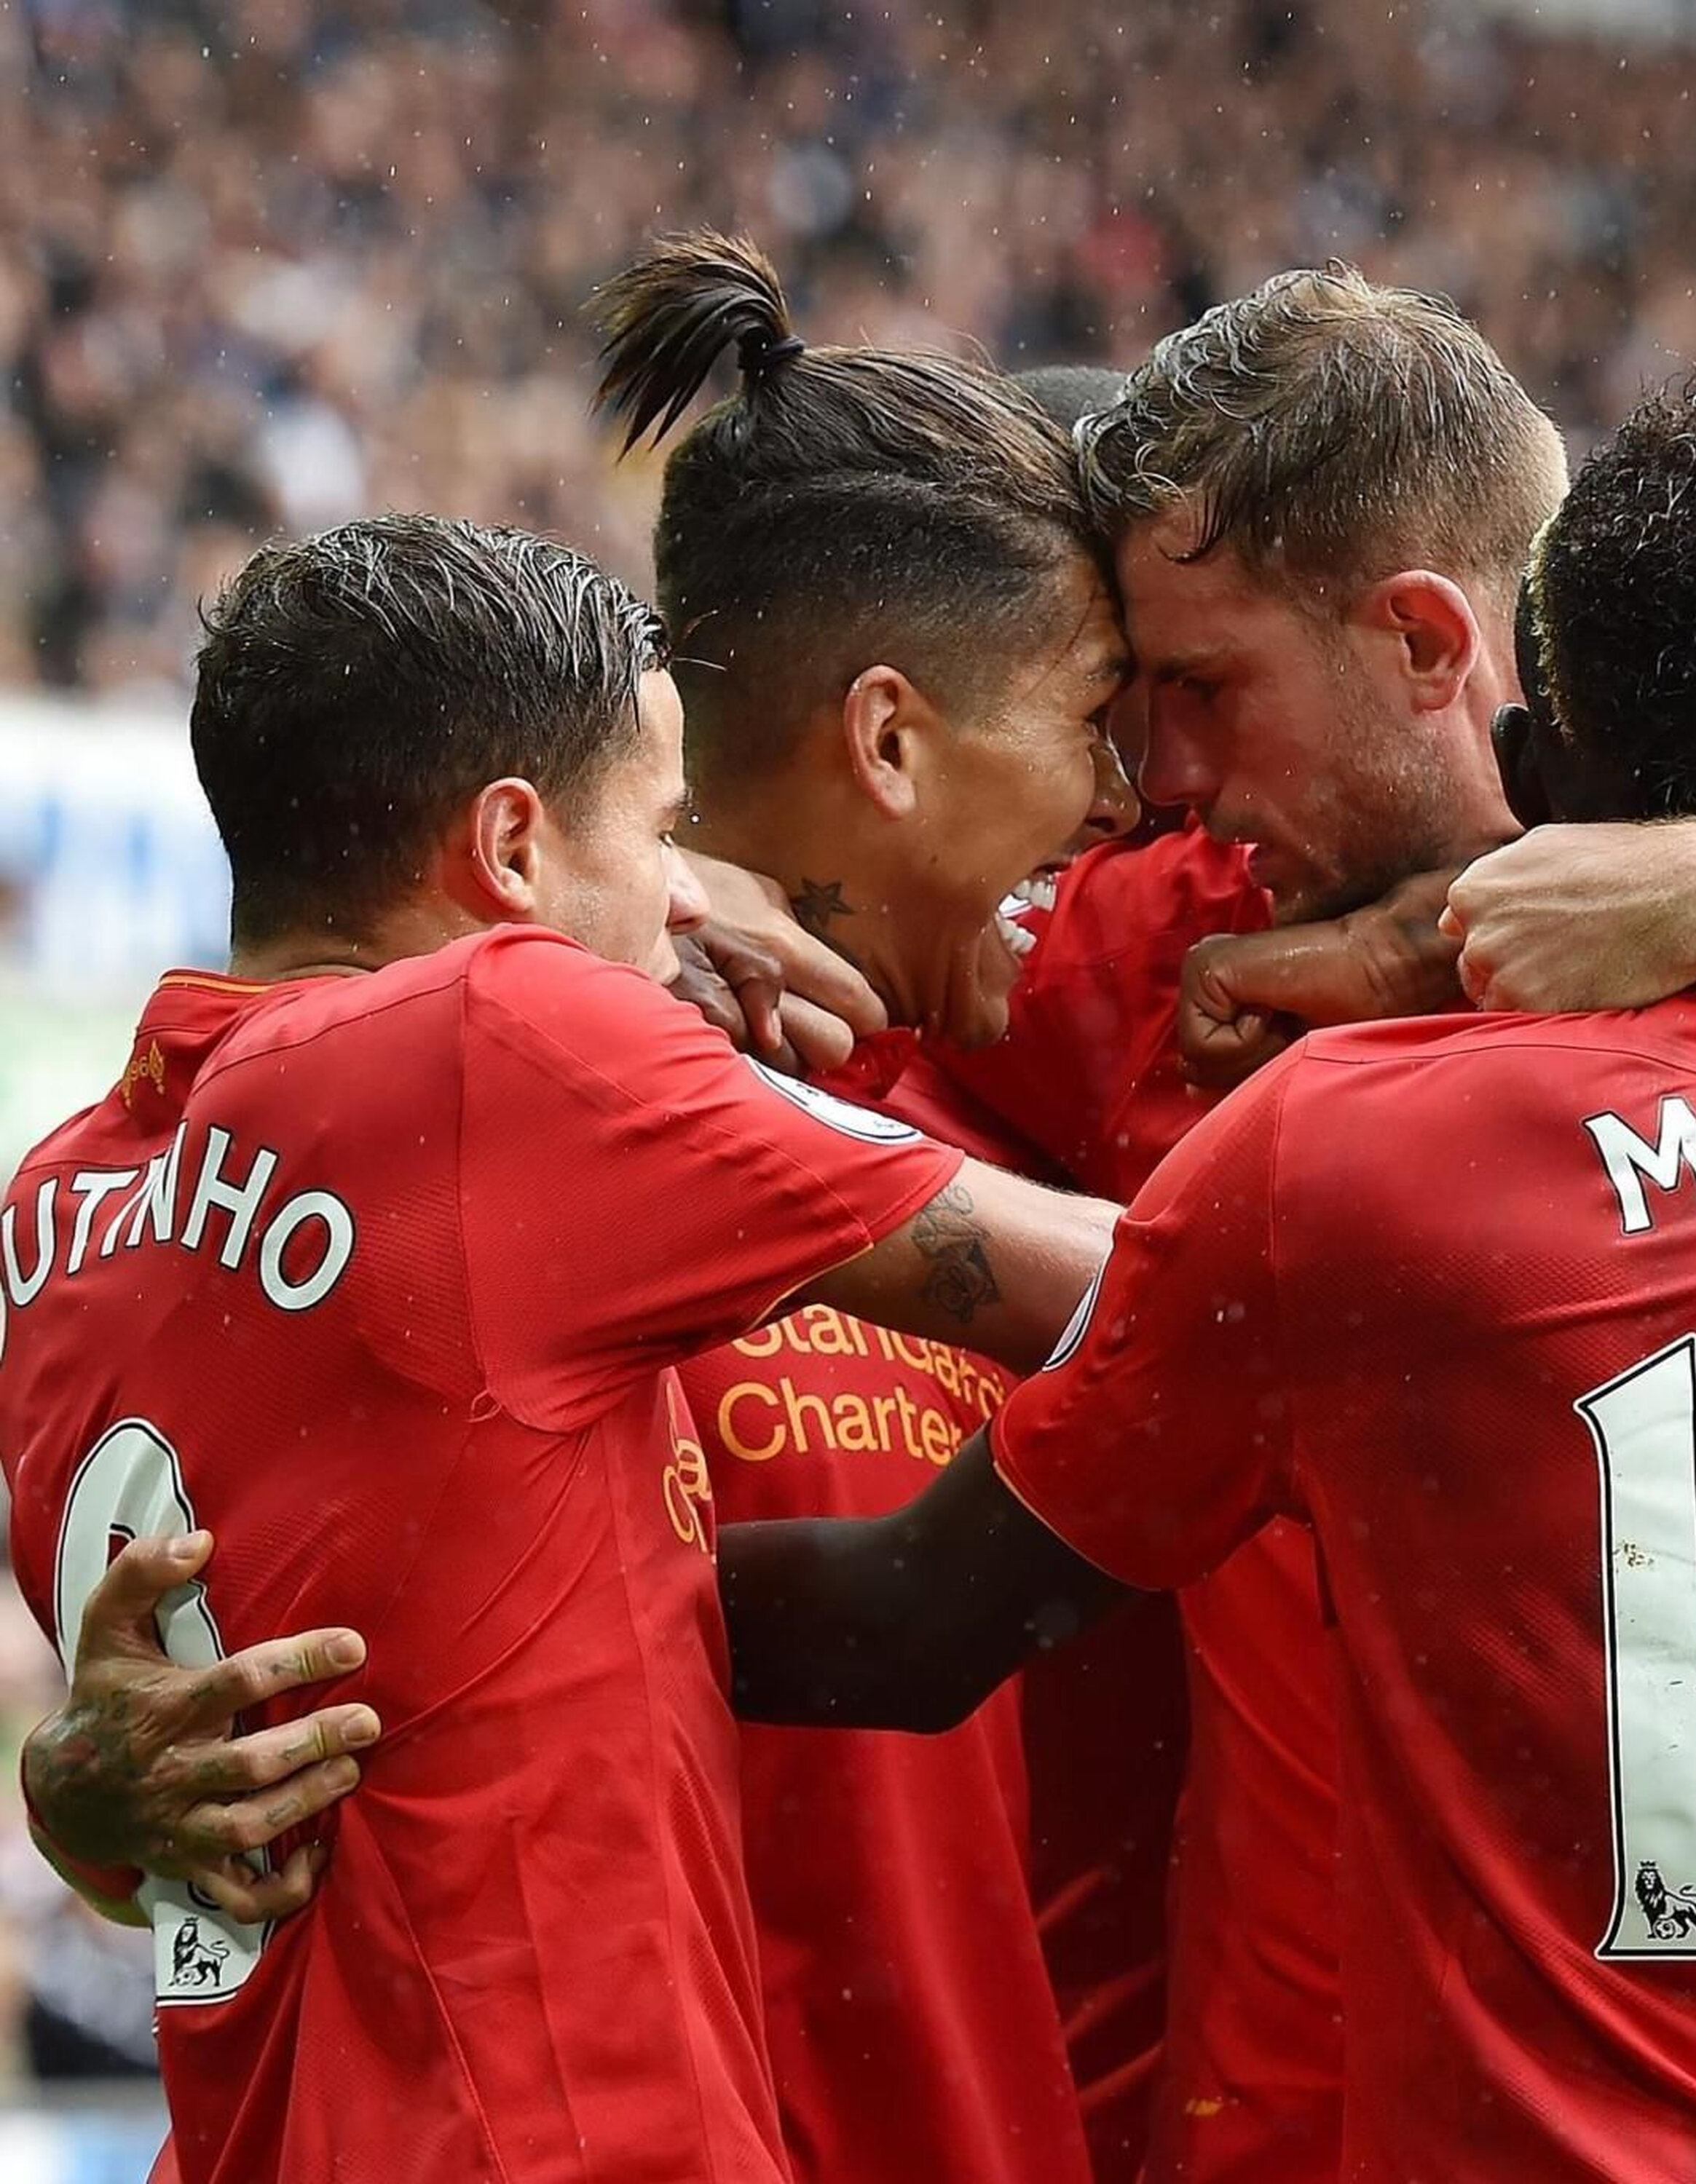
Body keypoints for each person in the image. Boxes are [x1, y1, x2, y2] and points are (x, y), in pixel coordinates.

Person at [712, 373, 1696, 2178]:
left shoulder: (1339, 1141)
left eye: (1199, 690)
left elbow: (913, 1621)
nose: (1154, 781)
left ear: (1506, 734)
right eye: (1119, 708)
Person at [0, 513, 1115, 2184]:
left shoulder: (58, 1207)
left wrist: (66, 1795)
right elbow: (1137, 1289)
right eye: (660, 835)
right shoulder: (495, 1051)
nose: (687, 900)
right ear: (511, 846)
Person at [587, 232, 1140, 2184]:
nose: (1122, 804)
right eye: (1089, 723)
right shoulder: (505, 1109)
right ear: (892, 741)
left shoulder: (1047, 1099)